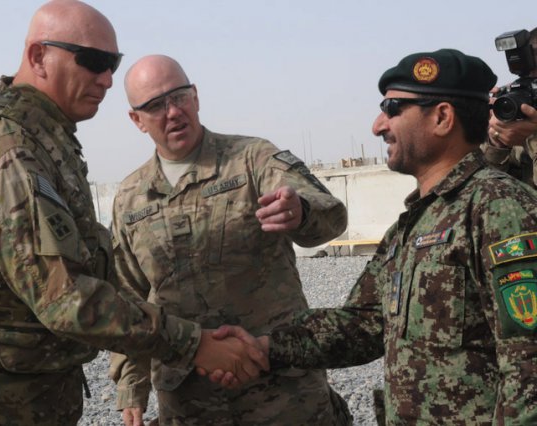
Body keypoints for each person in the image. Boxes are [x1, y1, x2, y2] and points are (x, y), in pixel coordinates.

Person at [0, 2, 267, 425]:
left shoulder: (38, 134)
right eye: (93, 62)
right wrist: (195, 344)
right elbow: (67, 298)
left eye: (113, 63)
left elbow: (88, 268)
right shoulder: (6, 149)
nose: (107, 79)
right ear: (38, 56)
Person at [213, 49, 537, 424]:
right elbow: (363, 323)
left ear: (443, 117)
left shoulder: (500, 208)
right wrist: (263, 348)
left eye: (393, 108)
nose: (377, 125)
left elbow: (528, 367)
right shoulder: (416, 222)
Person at [108, 54, 351, 426]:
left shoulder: (252, 160)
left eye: (179, 96)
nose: (173, 111)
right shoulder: (130, 198)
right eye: (156, 105)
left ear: (196, 97)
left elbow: (331, 217)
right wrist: (132, 387)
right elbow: (128, 299)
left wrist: (301, 211)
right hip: (190, 397)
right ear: (136, 120)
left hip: (281, 388)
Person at [482, 27, 537, 187]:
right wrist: (497, 143)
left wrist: (532, 138)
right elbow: (486, 190)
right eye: (527, 78)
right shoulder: (515, 116)